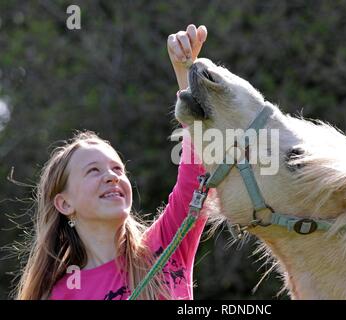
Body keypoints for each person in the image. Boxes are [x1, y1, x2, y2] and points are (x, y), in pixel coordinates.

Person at [15, 24, 208, 300]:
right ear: (65, 203)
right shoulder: (59, 294)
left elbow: (196, 175)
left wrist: (185, 77)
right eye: (93, 171)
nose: (112, 176)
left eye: (118, 169)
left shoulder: (165, 245)